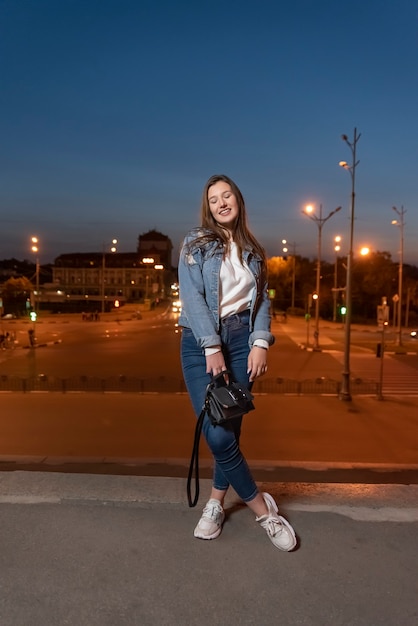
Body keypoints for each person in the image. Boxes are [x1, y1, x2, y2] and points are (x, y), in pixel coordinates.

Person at [178, 174, 297, 551]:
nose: (221, 203)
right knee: (217, 432)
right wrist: (212, 346)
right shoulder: (195, 243)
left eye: (227, 195)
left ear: (238, 200)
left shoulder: (254, 251)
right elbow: (192, 298)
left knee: (229, 425)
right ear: (208, 207)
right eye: (214, 199)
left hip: (243, 341)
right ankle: (263, 510)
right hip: (201, 344)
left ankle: (215, 503)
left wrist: (261, 341)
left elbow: (262, 301)